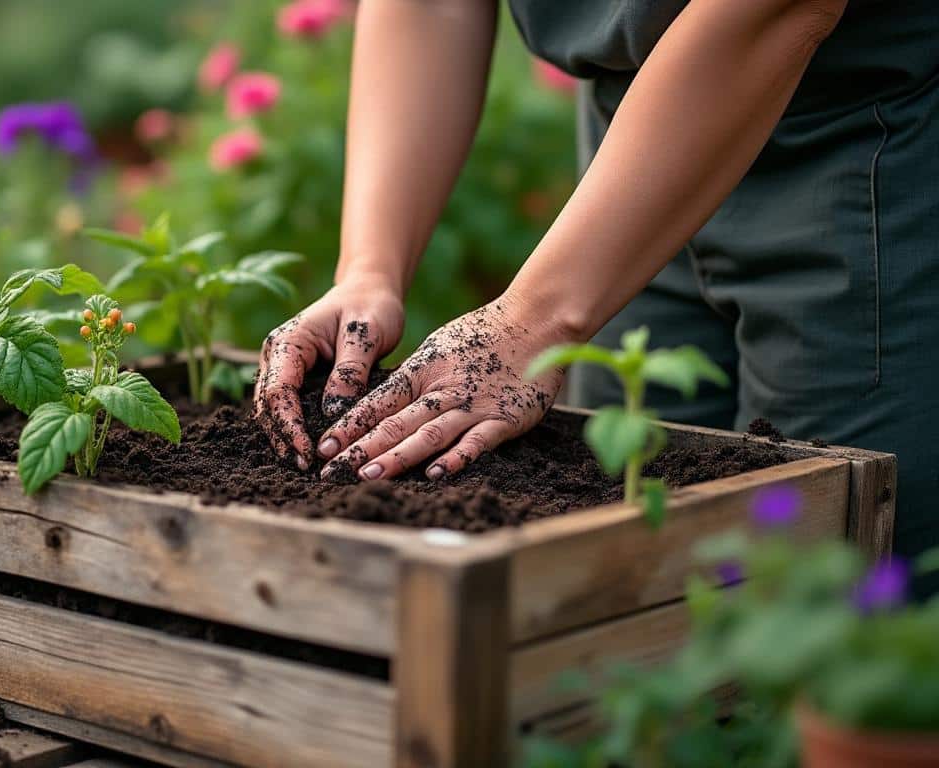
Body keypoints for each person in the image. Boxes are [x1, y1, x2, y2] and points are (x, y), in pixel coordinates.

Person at [253, 0, 938, 579]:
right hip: (628, 168)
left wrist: (533, 319)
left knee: (831, 587)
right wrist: (369, 270)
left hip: (863, 141)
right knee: (625, 571)